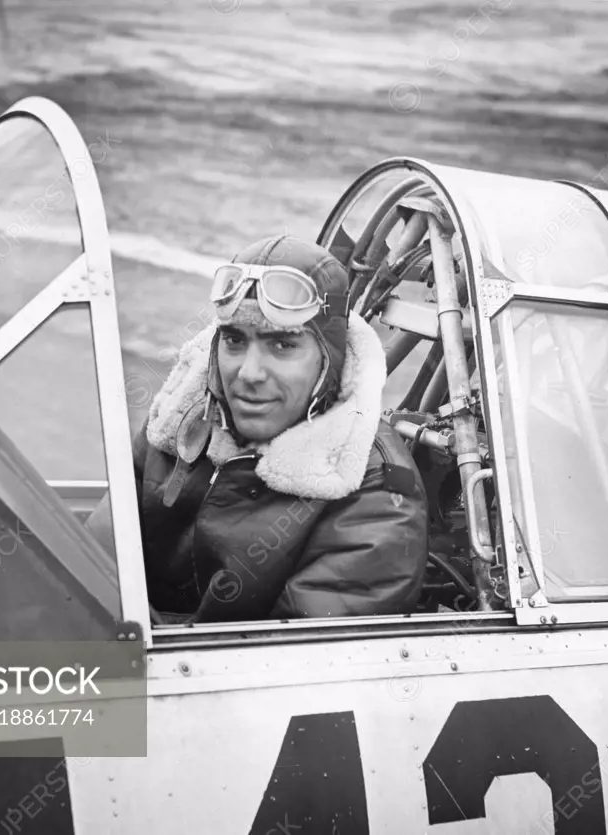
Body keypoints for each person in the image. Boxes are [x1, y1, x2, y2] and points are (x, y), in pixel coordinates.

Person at [87, 235, 428, 623]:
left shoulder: (376, 497)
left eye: (282, 345)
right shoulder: (179, 421)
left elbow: (282, 667)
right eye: (234, 340)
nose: (248, 374)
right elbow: (88, 560)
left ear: (328, 361)